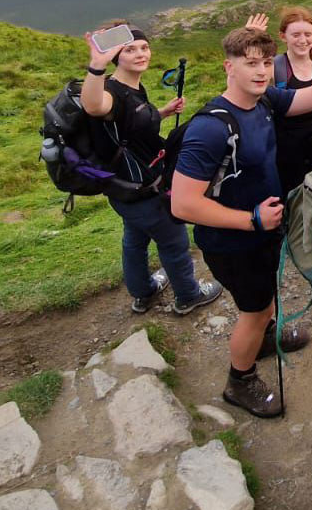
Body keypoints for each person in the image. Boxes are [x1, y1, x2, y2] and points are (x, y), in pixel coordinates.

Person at [170, 22, 312, 418]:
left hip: (262, 230)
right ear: (228, 67)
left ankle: (264, 337)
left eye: (266, 61)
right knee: (254, 309)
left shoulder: (265, 100)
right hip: (233, 242)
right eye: (250, 63)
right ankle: (240, 379)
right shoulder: (211, 128)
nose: (262, 71)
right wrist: (252, 219)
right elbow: (182, 205)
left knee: (264, 301)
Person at [81, 25, 223, 316]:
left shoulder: (132, 87)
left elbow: (128, 129)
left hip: (123, 189)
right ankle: (188, 296)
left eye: (143, 47)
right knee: (174, 241)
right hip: (143, 189)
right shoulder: (111, 92)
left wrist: (162, 113)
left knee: (134, 239)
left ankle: (142, 292)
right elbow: (95, 107)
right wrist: (96, 65)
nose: (139, 54)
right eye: (130, 49)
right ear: (116, 56)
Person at [272, 7, 312, 194]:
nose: (303, 40)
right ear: (283, 36)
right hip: (284, 149)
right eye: (296, 35)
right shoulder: (276, 67)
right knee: (289, 195)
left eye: (308, 34)